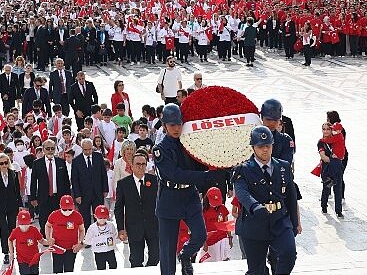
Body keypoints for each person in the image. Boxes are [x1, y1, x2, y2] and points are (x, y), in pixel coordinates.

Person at [153, 104, 221, 275]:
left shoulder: (190, 144)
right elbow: (174, 175)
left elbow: (201, 163)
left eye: (179, 124)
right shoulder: (160, 149)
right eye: (172, 125)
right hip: (169, 198)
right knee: (167, 250)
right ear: (164, 126)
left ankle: (185, 255)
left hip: (189, 196)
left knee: (200, 235)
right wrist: (205, 176)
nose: (176, 129)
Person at [232, 126, 299, 275]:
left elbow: (291, 197)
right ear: (253, 147)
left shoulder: (283, 167)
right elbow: (242, 193)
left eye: (268, 146)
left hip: (279, 220)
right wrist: (254, 206)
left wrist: (294, 224)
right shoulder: (243, 169)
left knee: (289, 255)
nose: (265, 150)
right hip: (254, 223)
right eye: (260, 146)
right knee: (257, 270)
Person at [114, 149, 159, 268]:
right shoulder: (123, 184)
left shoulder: (154, 181)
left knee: (155, 256)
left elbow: (161, 203)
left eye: (143, 164)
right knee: (136, 260)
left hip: (153, 226)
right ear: (132, 166)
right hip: (134, 227)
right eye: (138, 164)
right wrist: (121, 229)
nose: (141, 167)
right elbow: (118, 208)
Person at [30, 139, 72, 237]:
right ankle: (45, 237)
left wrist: (68, 197)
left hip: (58, 197)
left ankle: (58, 237)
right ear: (43, 149)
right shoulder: (37, 163)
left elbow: (66, 181)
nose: (50, 151)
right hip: (43, 197)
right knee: (44, 218)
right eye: (47, 148)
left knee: (59, 219)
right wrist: (33, 197)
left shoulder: (61, 162)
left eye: (52, 148)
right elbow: (33, 182)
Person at [0, 153, 24, 264]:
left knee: (12, 228)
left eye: (6, 162)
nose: (4, 165)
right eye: (2, 163)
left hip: (12, 205)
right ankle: (5, 252)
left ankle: (12, 251)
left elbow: (17, 190)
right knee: (3, 230)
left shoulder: (13, 174)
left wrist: (20, 205)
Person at [71, 138, 109, 226]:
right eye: (85, 150)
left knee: (99, 216)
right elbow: (74, 179)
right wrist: (77, 195)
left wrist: (105, 189)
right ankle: (87, 235)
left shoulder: (98, 157)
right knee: (85, 217)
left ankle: (99, 234)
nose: (88, 152)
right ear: (81, 148)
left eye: (90, 149)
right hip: (83, 194)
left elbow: (103, 174)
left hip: (97, 192)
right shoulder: (76, 161)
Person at [45, 195, 85, 273]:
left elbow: (82, 230)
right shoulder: (54, 215)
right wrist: (48, 238)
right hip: (57, 248)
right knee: (57, 270)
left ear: (73, 206)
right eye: (64, 209)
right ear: (60, 206)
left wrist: (80, 243)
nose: (67, 211)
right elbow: (47, 226)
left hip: (71, 248)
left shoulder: (77, 216)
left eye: (70, 209)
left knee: (69, 270)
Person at [8, 210, 52, 275]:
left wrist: (49, 242)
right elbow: (10, 240)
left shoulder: (34, 230)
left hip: (34, 259)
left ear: (29, 222)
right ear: (18, 223)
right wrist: (11, 253)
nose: (24, 226)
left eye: (26, 224)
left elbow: (41, 240)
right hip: (22, 260)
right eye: (22, 224)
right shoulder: (16, 231)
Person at [318, 123, 344, 217]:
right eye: (324, 129)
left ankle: (338, 211)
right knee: (326, 188)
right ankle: (323, 207)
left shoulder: (336, 139)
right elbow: (323, 157)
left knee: (338, 190)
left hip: (337, 169)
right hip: (327, 169)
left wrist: (338, 158)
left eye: (328, 129)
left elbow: (342, 153)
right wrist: (334, 159)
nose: (326, 131)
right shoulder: (321, 142)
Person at [84, 205, 118, 270]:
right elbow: (87, 240)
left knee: (113, 266)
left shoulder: (111, 225)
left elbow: (115, 235)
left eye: (104, 217)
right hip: (98, 252)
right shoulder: (92, 228)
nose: (102, 220)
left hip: (110, 250)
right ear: (95, 216)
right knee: (101, 269)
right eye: (100, 218)